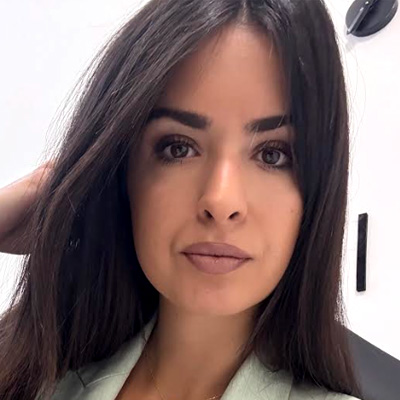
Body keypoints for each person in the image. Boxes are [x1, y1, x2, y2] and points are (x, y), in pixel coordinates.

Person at [0, 0, 364, 399]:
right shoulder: (32, 378)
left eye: (273, 154)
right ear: (120, 173)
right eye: (178, 147)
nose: (221, 201)